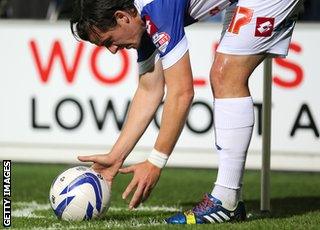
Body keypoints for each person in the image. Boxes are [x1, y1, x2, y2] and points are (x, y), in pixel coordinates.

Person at [70, 0, 302, 224]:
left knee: (226, 75)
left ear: (122, 17)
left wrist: (155, 162)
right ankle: (228, 200)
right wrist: (115, 158)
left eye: (109, 41)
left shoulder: (156, 8)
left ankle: (226, 201)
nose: (112, 50)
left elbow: (182, 93)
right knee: (225, 74)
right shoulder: (142, 19)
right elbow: (150, 89)